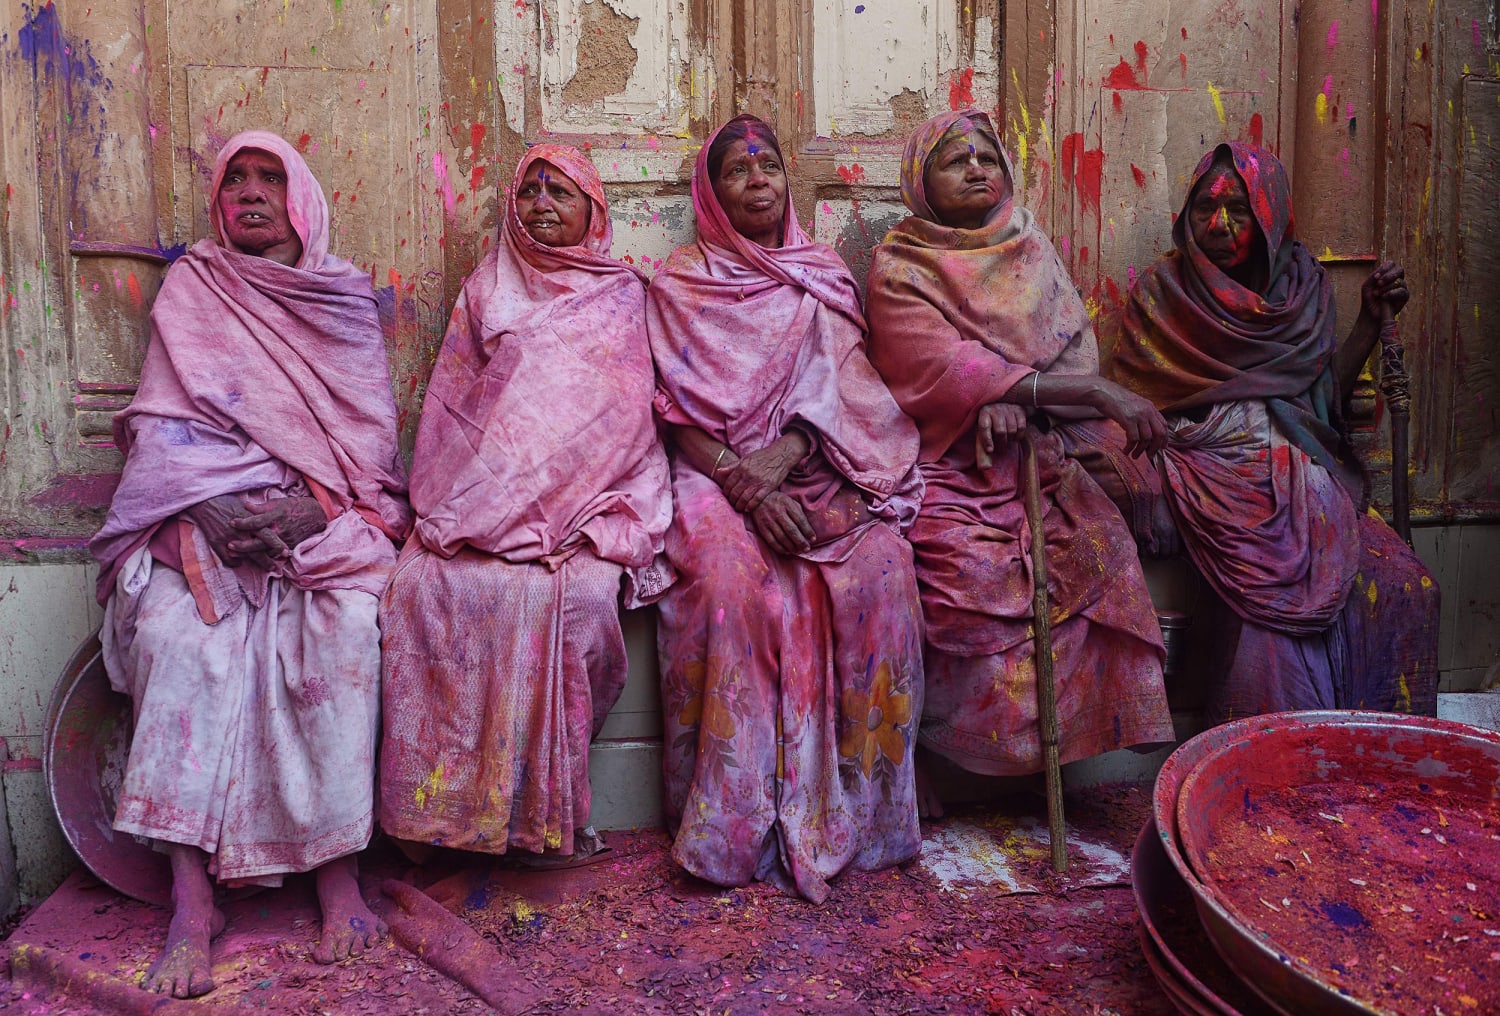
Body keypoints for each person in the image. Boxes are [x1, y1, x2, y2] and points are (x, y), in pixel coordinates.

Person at [90, 131, 412, 997]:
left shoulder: (342, 302)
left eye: (272, 178)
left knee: (343, 631)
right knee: (177, 635)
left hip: (317, 528)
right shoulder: (194, 289)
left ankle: (334, 874)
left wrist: (313, 510)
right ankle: (192, 900)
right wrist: (206, 508)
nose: (253, 193)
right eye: (237, 179)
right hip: (202, 527)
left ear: (301, 198)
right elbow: (159, 431)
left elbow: (366, 457)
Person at [648, 115, 926, 902]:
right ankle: (727, 824)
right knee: (729, 583)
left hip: (819, 458)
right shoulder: (679, 282)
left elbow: (852, 393)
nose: (757, 180)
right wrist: (744, 481)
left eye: (768, 165)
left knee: (882, 568)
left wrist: (789, 456)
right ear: (711, 194)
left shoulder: (823, 275)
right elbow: (674, 412)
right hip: (714, 471)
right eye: (737, 171)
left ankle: (871, 819)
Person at [864, 108, 1174, 807]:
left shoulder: (1032, 246)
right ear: (921, 181)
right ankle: (966, 771)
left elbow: (1073, 347)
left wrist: (1023, 400)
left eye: (988, 159)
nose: (977, 169)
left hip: (1038, 452)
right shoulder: (900, 263)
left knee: (1101, 553)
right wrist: (1003, 389)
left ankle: (1059, 759)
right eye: (956, 161)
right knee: (969, 579)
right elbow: (932, 364)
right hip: (950, 462)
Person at [378, 145, 672, 862]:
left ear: (592, 211)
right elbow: (454, 414)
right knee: (419, 586)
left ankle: (540, 820)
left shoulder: (623, 296)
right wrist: (475, 506)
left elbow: (624, 419)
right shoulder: (486, 290)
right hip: (482, 501)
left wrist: (564, 511)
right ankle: (434, 822)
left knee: (574, 603)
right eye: (531, 190)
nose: (542, 204)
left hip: (585, 507)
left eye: (560, 192)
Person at [1102, 141, 1439, 721]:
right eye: (1206, 208)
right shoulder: (1162, 295)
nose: (1219, 224)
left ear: (1270, 219)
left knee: (1406, 588)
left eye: (1239, 210)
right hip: (1201, 462)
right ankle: (1270, 750)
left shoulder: (1302, 293)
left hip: (1293, 457)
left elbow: (1321, 403)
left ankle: (1372, 749)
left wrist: (1366, 319)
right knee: (1272, 589)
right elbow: (1138, 413)